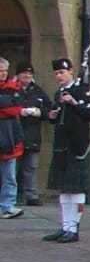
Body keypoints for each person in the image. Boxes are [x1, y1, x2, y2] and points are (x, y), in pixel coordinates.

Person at [39, 58, 90, 243]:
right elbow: (57, 118)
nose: (59, 76)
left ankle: (74, 228)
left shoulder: (82, 90)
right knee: (64, 190)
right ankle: (65, 226)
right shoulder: (58, 93)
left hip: (77, 145)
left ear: (71, 71)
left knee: (77, 188)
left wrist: (73, 102)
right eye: (56, 73)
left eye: (62, 73)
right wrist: (52, 116)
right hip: (61, 145)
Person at [0, 56, 31, 218]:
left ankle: (7, 205)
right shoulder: (12, 89)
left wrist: (9, 106)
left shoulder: (13, 88)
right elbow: (12, 107)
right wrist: (10, 106)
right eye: (0, 71)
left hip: (10, 136)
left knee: (10, 176)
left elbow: (16, 107)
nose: (3, 74)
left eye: (5, 71)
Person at [14, 63, 47, 206]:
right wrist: (20, 111)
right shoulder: (11, 88)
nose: (27, 76)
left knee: (31, 167)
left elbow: (49, 109)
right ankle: (12, 195)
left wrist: (41, 112)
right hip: (14, 134)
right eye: (24, 74)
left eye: (29, 74)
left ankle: (31, 195)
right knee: (12, 168)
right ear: (18, 75)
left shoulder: (38, 91)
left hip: (33, 135)